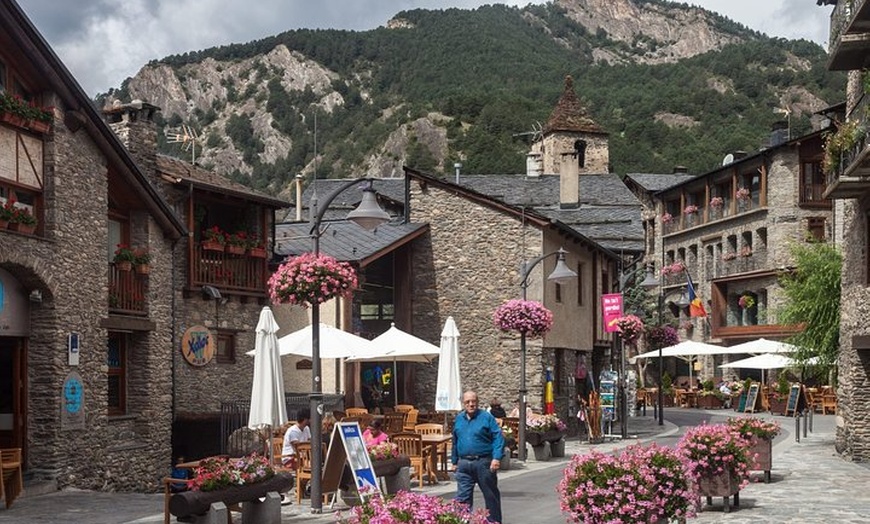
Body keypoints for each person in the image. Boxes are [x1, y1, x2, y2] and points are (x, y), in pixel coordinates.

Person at [451, 390, 504, 523]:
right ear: (463, 404)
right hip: (463, 464)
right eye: (467, 402)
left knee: (490, 495)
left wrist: (496, 458)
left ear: (478, 402)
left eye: (473, 401)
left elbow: (498, 437)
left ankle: (494, 522)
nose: (471, 404)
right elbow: (455, 441)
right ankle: (463, 521)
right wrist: (454, 461)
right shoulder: (459, 419)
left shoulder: (486, 417)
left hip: (483, 463)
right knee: (462, 498)